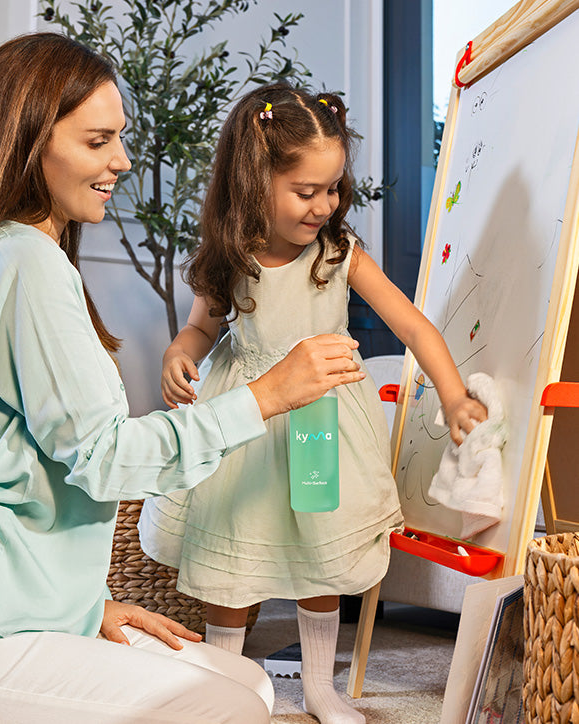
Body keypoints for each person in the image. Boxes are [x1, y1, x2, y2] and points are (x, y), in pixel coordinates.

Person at [0, 36, 367, 724]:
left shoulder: (11, 255)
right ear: (31, 142)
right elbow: (103, 460)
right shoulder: (24, 263)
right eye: (99, 141)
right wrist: (266, 395)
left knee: (248, 685)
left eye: (119, 138)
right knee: (227, 707)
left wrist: (83, 605)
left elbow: (12, 464)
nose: (121, 161)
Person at [138, 83, 488, 724]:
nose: (325, 205)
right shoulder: (231, 259)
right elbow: (199, 329)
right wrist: (176, 353)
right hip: (244, 420)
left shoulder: (338, 255)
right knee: (232, 563)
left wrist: (455, 394)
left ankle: (322, 690)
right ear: (253, 182)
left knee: (321, 558)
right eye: (307, 191)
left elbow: (413, 325)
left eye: (333, 189)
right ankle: (230, 689)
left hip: (319, 422)